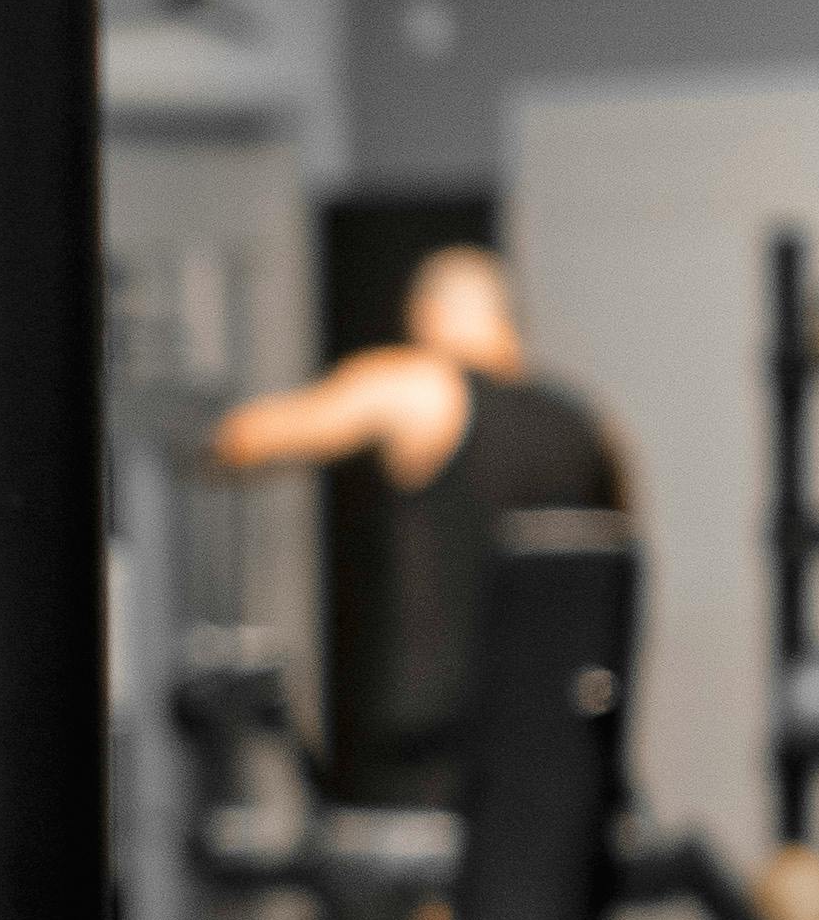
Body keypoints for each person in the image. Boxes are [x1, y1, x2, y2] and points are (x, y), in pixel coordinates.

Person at [206, 243, 627, 802]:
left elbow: (246, 440)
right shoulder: (589, 425)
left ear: (425, 315)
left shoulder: (423, 386)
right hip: (565, 741)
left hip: (443, 748)